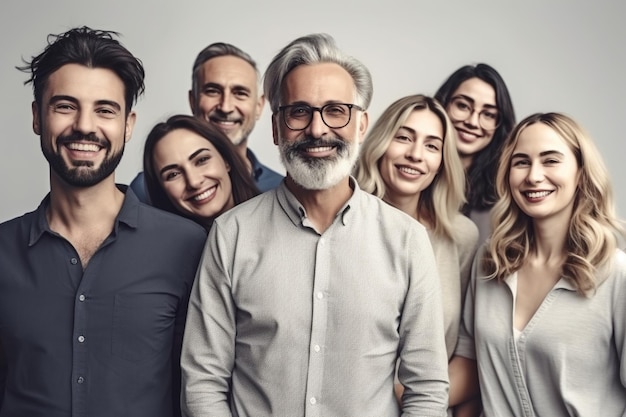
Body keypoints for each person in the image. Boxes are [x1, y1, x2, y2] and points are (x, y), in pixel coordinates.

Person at [181, 34, 449, 417]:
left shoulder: (407, 241)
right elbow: (203, 381)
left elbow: (427, 389)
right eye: (299, 112)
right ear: (276, 127)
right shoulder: (231, 234)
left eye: (336, 110)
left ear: (361, 125)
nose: (318, 129)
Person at [0, 27, 207, 417]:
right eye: (64, 106)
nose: (84, 126)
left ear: (128, 125)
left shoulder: (187, 246)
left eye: (104, 110)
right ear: (36, 117)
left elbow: (203, 385)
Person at [455, 112, 626, 416]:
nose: (534, 175)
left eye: (550, 160)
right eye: (521, 162)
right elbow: (470, 366)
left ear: (581, 173)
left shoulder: (616, 274)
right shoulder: (488, 263)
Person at [355, 94, 480, 415]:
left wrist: (408, 398)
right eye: (403, 137)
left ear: (442, 161)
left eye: (431, 145)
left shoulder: (461, 236)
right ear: (381, 143)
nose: (415, 155)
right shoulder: (344, 226)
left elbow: (467, 354)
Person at [130, 42, 282, 202]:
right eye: (212, 91)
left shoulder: (280, 190)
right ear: (193, 101)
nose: (226, 107)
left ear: (259, 106)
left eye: (240, 93)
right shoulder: (144, 190)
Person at [434, 63, 516, 244]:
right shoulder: (410, 176)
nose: (472, 122)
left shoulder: (504, 199)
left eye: (488, 114)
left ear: (500, 125)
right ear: (443, 104)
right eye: (463, 106)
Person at [142, 115, 259, 230]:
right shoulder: (162, 247)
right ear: (162, 190)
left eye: (202, 160)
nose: (194, 182)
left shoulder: (273, 217)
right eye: (173, 174)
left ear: (225, 160)